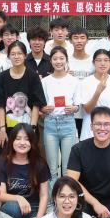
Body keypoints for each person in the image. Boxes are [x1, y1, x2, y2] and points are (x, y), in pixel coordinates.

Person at [0, 124, 51, 218]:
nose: (22, 143)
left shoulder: (40, 163)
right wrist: (19, 198)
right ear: (12, 141)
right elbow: (0, 195)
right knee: (12, 207)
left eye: (27, 139)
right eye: (18, 138)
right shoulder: (3, 162)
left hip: (34, 209)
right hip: (12, 208)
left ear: (32, 142)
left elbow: (44, 195)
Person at [40, 46, 80, 182]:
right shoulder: (45, 81)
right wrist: (44, 109)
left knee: (68, 167)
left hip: (68, 123)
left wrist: (74, 108)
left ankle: (67, 193)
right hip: (50, 123)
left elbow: (78, 105)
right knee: (52, 167)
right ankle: (52, 194)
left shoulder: (74, 81)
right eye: (55, 59)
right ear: (50, 61)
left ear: (66, 60)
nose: (58, 62)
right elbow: (41, 106)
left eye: (61, 58)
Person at [0, 41, 44, 137]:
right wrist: (2, 129)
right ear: (8, 57)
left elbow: (36, 104)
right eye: (13, 54)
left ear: (25, 55)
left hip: (29, 128)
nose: (16, 57)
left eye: (19, 53)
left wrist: (33, 128)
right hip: (7, 130)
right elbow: (0, 105)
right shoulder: (2, 77)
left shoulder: (33, 76)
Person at [75, 49, 110, 140]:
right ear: (93, 63)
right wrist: (98, 92)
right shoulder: (86, 82)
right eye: (98, 60)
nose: (102, 63)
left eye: (106, 60)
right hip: (90, 128)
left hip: (109, 127)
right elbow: (87, 109)